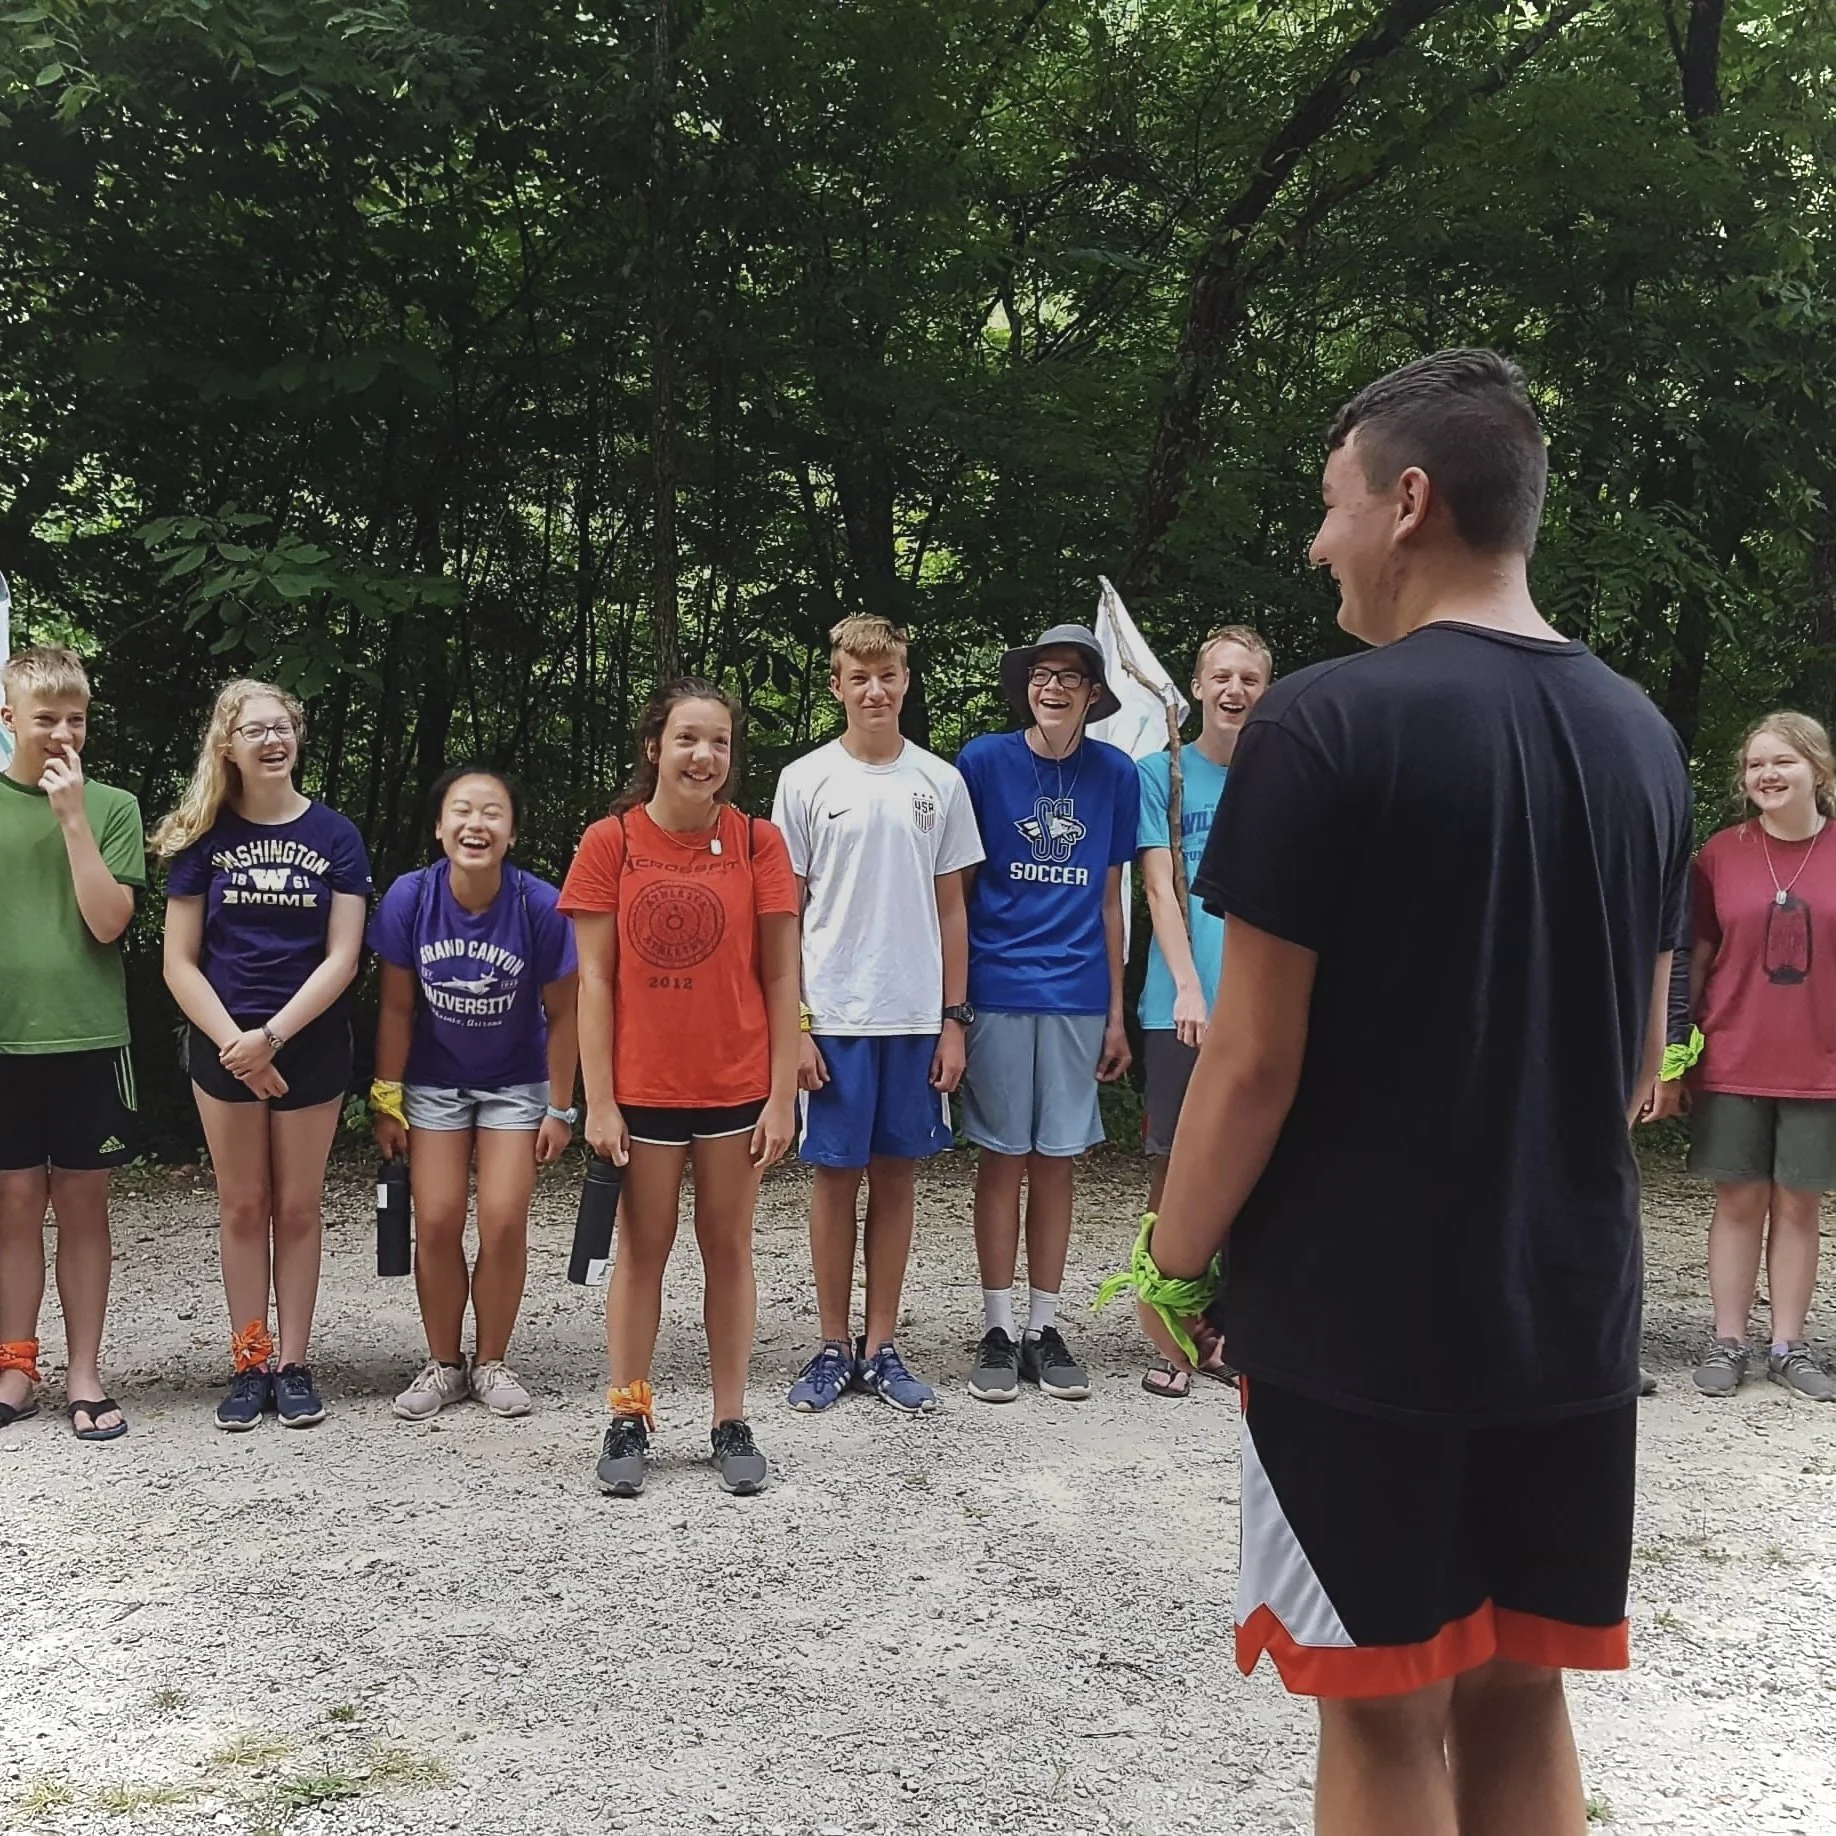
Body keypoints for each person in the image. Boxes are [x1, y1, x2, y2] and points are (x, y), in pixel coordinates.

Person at [1120, 350, 1690, 1836]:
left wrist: (1169, 1265)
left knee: (1377, 1718)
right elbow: (1641, 1061)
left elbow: (1248, 1063)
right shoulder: (1642, 736)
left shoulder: (1325, 724)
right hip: (1569, 1314)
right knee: (1520, 1690)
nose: (1319, 545)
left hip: (1361, 1329)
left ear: (1410, 503)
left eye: (1331, 507)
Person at [563, 681, 801, 1495]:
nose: (706, 757)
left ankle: (731, 1420)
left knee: (729, 1248)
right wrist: (597, 1099)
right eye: (689, 740)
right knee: (642, 1250)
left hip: (736, 1084)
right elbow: (593, 979)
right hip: (643, 1089)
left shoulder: (757, 842)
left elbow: (780, 974)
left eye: (721, 744)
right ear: (654, 747)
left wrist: (781, 1092)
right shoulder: (610, 842)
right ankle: (628, 1415)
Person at [771, 617, 982, 1414]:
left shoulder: (940, 783)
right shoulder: (805, 781)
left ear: (906, 679)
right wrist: (792, 1024)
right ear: (836, 685)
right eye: (859, 677)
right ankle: (832, 1346)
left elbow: (953, 913)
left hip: (914, 1017)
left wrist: (954, 1019)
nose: (875, 690)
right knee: (834, 1180)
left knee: (897, 1179)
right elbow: (784, 915)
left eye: (888, 674)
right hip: (834, 1015)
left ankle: (882, 1345)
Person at [158, 680, 370, 1430]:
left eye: (282, 727)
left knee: (299, 1206)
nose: (272, 740)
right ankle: (250, 1358)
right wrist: (235, 1047)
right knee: (243, 1206)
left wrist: (271, 1039)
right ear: (228, 745)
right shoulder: (202, 838)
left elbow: (344, 955)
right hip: (222, 1041)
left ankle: (295, 1363)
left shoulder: (336, 836)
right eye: (255, 730)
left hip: (307, 1045)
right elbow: (178, 962)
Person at [956, 623, 1136, 1405]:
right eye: (1040, 674)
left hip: (1076, 992)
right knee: (1001, 1157)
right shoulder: (985, 761)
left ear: (1094, 694)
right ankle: (995, 1328)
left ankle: (1042, 1327)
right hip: (997, 985)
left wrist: (1118, 1014)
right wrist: (952, 1006)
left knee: (1058, 1160)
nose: (1053, 687)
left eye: (1069, 676)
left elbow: (1108, 900)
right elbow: (956, 894)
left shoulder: (1117, 773)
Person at [369, 766, 580, 1422]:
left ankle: (491, 1361)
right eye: (461, 810)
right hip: (434, 1082)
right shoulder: (410, 898)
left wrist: (562, 1107)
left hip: (516, 1084)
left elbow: (567, 1014)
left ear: (512, 832)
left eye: (492, 812)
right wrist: (385, 1097)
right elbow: (397, 1008)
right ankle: (444, 1364)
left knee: (504, 1217)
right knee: (433, 1220)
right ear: (439, 827)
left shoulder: (539, 906)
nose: (475, 824)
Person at [1650, 713, 1836, 1403]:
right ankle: (1728, 1340)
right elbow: (1691, 963)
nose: (1766, 775)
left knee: (1798, 1204)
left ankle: (1790, 1344)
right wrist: (1673, 1055)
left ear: (1818, 769)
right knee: (1738, 1200)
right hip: (1733, 1054)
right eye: (1755, 764)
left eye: (1782, 761)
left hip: (1821, 1062)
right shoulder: (1720, 856)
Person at [0, 646, 144, 1442]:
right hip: (5, 1041)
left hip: (88, 1037)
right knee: (14, 1205)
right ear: (9, 719)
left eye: (76, 720)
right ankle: (17, 1365)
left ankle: (84, 1371)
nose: (61, 734)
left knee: (82, 1204)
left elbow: (108, 922)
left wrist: (73, 818)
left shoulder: (111, 805)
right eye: (45, 718)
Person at [1135, 625, 1273, 1400]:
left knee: (1255, 1168)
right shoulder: (1164, 776)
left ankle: (1239, 1327)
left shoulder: (1279, 775)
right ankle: (1167, 1332)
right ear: (1195, 687)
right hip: (1181, 1004)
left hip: (1263, 1009)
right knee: (1176, 1167)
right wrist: (1188, 986)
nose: (1234, 691)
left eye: (1249, 679)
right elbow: (1159, 888)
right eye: (1221, 676)